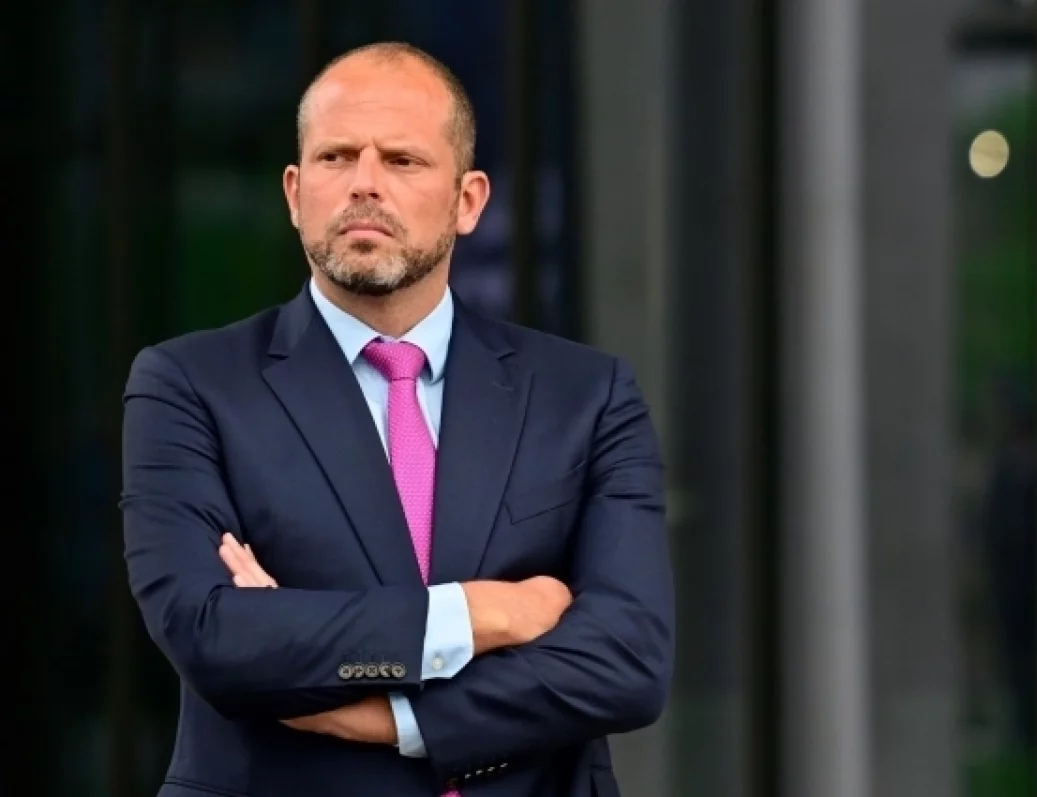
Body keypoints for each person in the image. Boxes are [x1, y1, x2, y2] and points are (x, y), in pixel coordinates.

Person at [120, 41, 674, 797]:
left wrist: (395, 718)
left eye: (402, 160)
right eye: (336, 157)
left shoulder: (585, 395)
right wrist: (486, 612)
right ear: (294, 193)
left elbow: (628, 662)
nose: (364, 183)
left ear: (468, 201)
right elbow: (212, 634)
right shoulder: (190, 385)